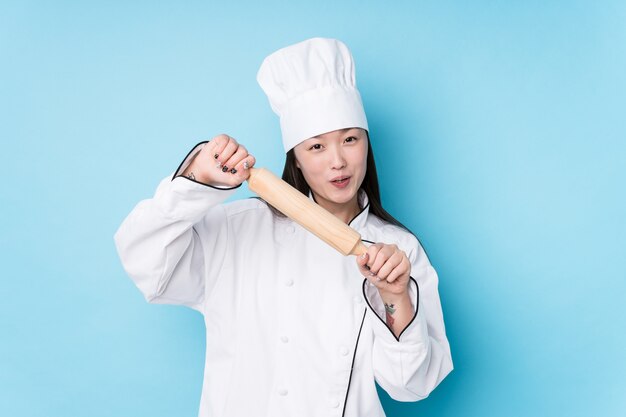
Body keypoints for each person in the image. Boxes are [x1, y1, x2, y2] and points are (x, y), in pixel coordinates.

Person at [114, 37, 453, 417]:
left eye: (350, 139)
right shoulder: (240, 230)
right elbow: (146, 264)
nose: (338, 161)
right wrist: (198, 178)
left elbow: (412, 384)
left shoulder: (397, 249)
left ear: (366, 144)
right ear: (296, 157)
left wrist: (395, 295)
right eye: (317, 147)